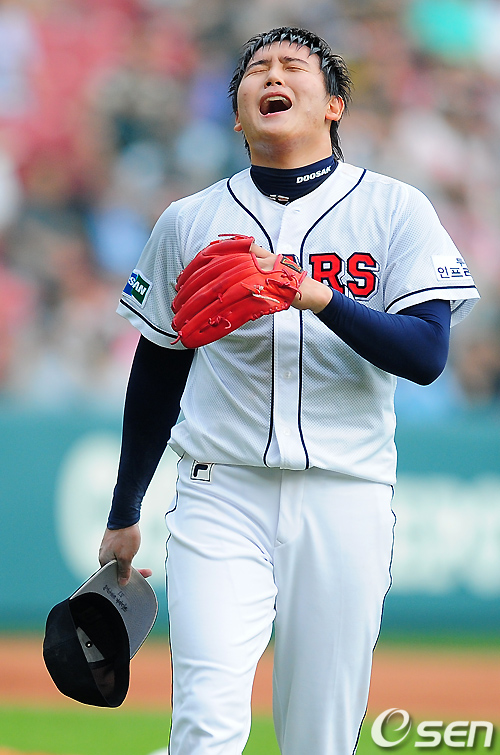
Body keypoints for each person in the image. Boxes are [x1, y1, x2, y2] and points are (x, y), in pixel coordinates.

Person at [99, 26, 479, 755]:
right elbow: (156, 376)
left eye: (294, 65)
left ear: (334, 105)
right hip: (221, 491)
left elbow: (427, 354)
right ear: (238, 117)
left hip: (347, 492)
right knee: (205, 727)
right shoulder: (190, 221)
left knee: (319, 739)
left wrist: (316, 296)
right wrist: (124, 512)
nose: (273, 74)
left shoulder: (394, 209)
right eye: (257, 69)